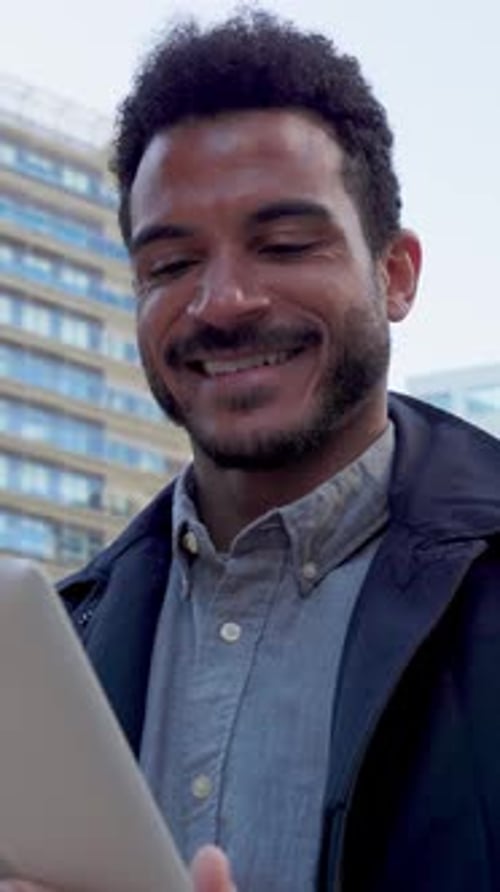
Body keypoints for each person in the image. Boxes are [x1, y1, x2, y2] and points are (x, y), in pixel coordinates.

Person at [5, 9, 500, 892]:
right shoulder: (54, 653)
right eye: (169, 264)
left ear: (396, 274)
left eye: (283, 245)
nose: (222, 301)